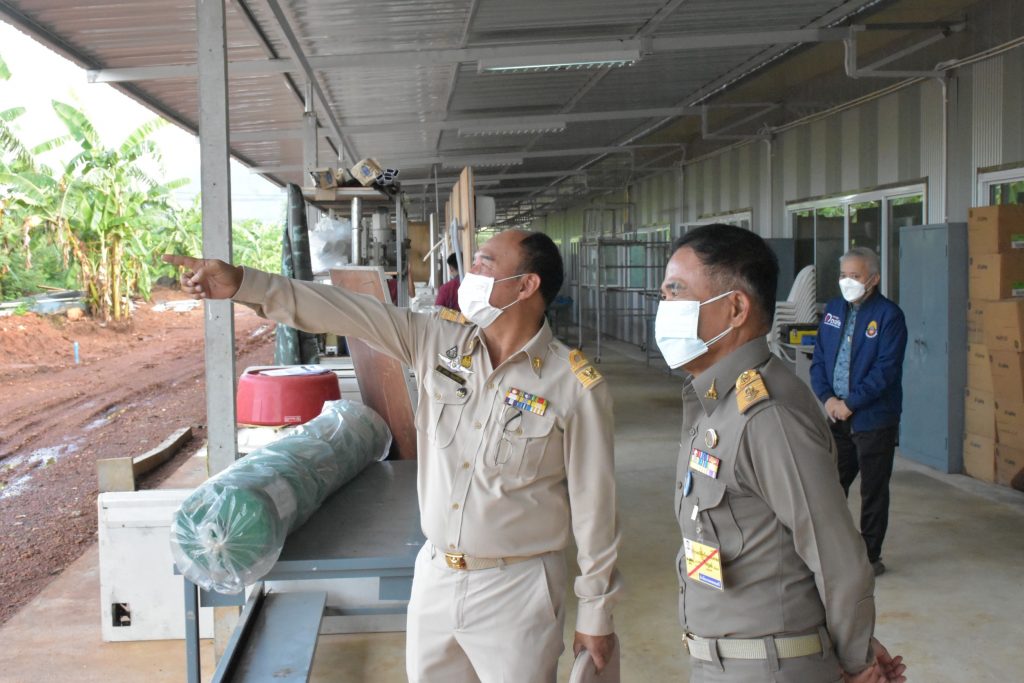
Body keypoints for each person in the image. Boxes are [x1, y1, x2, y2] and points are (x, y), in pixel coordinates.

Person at [163, 229, 622, 682]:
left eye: (484, 263)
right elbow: (344, 311)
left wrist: (596, 612)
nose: (471, 273)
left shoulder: (574, 385)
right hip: (436, 575)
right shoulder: (437, 341)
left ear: (526, 286)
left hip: (518, 589)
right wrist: (245, 284)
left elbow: (594, 509)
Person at [654, 224, 906, 683]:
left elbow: (839, 560)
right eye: (664, 295)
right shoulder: (713, 402)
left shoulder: (766, 415)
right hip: (727, 660)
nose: (664, 309)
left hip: (767, 668)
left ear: (734, 308)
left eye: (677, 293)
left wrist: (855, 662)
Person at [810, 247, 908, 577]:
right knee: (832, 484)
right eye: (843, 276)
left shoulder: (889, 316)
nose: (847, 282)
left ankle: (870, 555)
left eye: (855, 276)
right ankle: (833, 548)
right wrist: (827, 399)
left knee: (873, 489)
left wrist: (851, 403)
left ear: (874, 279)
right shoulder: (834, 310)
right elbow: (820, 357)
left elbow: (885, 370)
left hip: (873, 418)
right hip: (835, 414)